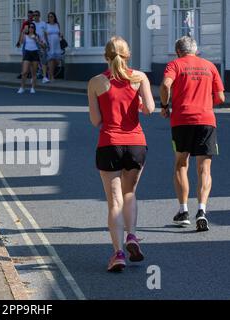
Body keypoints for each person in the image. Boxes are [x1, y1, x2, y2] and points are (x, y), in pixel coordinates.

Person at [88, 37, 155, 272]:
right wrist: (133, 105)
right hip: (136, 143)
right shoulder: (139, 77)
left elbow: (95, 120)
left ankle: (117, 254)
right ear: (128, 56)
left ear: (106, 56)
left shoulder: (96, 82)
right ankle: (133, 237)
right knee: (130, 193)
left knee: (114, 200)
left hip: (109, 144)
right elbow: (150, 109)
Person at [160, 36, 225, 232]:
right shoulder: (209, 66)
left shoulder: (175, 64)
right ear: (196, 50)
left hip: (182, 120)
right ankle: (202, 211)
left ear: (178, 51)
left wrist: (165, 105)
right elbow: (221, 97)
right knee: (204, 168)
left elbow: (165, 85)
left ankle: (183, 211)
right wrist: (205, 104)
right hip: (206, 120)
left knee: (181, 163)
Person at [17, 23, 43, 94]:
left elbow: (42, 45)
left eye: (32, 27)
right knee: (24, 72)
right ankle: (22, 87)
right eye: (30, 27)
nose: (31, 28)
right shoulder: (25, 35)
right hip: (27, 53)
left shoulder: (37, 36)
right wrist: (22, 32)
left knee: (34, 73)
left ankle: (33, 88)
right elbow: (21, 42)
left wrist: (36, 40)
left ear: (34, 28)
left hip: (35, 53)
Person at [45, 12, 63, 82]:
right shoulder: (46, 25)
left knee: (57, 61)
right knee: (51, 60)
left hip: (57, 44)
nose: (50, 18)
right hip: (50, 44)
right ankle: (51, 76)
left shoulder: (57, 24)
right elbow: (45, 35)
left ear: (54, 17)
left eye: (51, 16)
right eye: (49, 17)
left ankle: (49, 72)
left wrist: (61, 36)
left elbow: (59, 34)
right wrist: (47, 44)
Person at [32, 10, 49, 83]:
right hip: (33, 45)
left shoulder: (43, 24)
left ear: (39, 16)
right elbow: (30, 34)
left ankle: (44, 77)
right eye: (34, 15)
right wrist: (36, 39)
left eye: (37, 15)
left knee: (43, 61)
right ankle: (34, 76)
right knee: (34, 61)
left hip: (42, 44)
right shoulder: (32, 24)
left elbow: (45, 34)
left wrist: (47, 43)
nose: (35, 16)